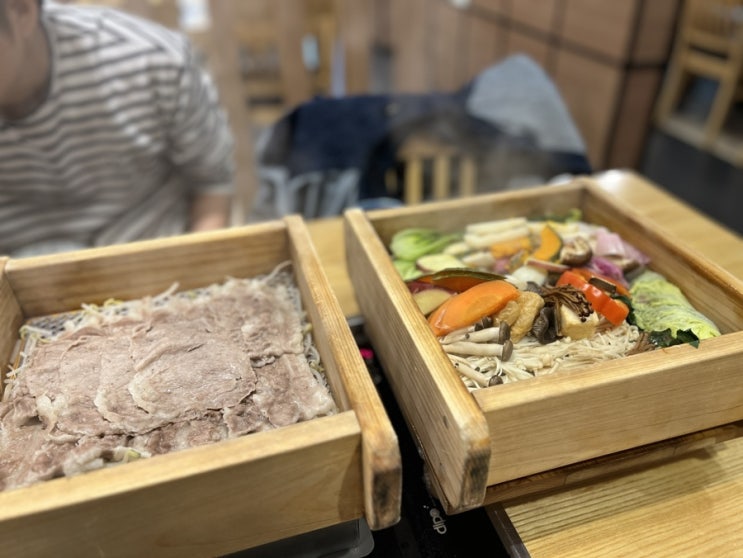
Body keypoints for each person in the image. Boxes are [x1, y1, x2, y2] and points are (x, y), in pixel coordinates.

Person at [0, 0, 235, 257]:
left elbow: (213, 184)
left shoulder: (150, 59)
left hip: (155, 254)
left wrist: (196, 270)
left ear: (21, 10)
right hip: (18, 266)